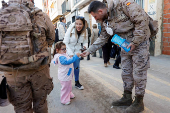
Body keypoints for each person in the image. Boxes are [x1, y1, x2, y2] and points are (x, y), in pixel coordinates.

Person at [81, 0, 151, 112]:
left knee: (139, 73)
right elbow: (103, 37)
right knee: (126, 72)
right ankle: (127, 97)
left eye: (95, 16)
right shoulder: (105, 20)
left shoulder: (125, 5)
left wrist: (135, 41)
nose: (95, 19)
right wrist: (89, 50)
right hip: (125, 45)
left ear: (100, 11)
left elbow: (142, 22)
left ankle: (139, 102)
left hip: (139, 44)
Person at [0, 0, 55, 112]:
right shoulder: (41, 15)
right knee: (40, 104)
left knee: (21, 108)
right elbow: (51, 38)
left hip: (13, 72)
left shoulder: (2, 14)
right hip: (39, 69)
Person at [63, 16, 88, 90]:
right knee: (68, 69)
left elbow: (86, 41)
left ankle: (77, 82)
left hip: (77, 51)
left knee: (77, 68)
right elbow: (65, 43)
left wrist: (84, 47)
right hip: (68, 51)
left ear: (83, 24)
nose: (78, 26)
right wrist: (70, 54)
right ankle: (67, 84)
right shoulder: (70, 29)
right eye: (77, 24)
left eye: (80, 24)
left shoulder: (85, 31)